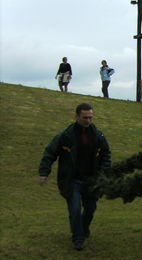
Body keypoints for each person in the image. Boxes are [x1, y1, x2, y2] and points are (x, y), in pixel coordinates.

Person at [38, 103, 111, 251]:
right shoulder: (65, 136)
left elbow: (106, 155)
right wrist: (44, 172)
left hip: (92, 180)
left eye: (90, 117)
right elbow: (50, 153)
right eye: (85, 117)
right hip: (72, 180)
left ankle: (83, 229)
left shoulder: (98, 136)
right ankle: (78, 238)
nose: (88, 120)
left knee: (90, 208)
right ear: (77, 117)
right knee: (75, 208)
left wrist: (104, 172)